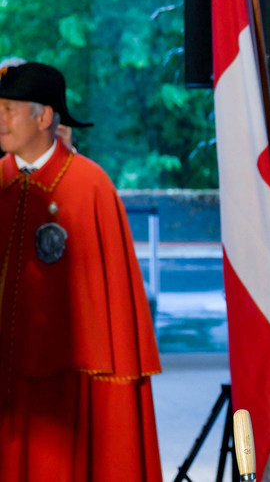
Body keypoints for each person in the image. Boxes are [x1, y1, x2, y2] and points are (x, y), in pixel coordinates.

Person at [0, 61, 162, 481]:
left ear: (45, 116)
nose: (0, 118)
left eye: (9, 108)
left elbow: (113, 312)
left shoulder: (91, 188)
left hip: (73, 386)